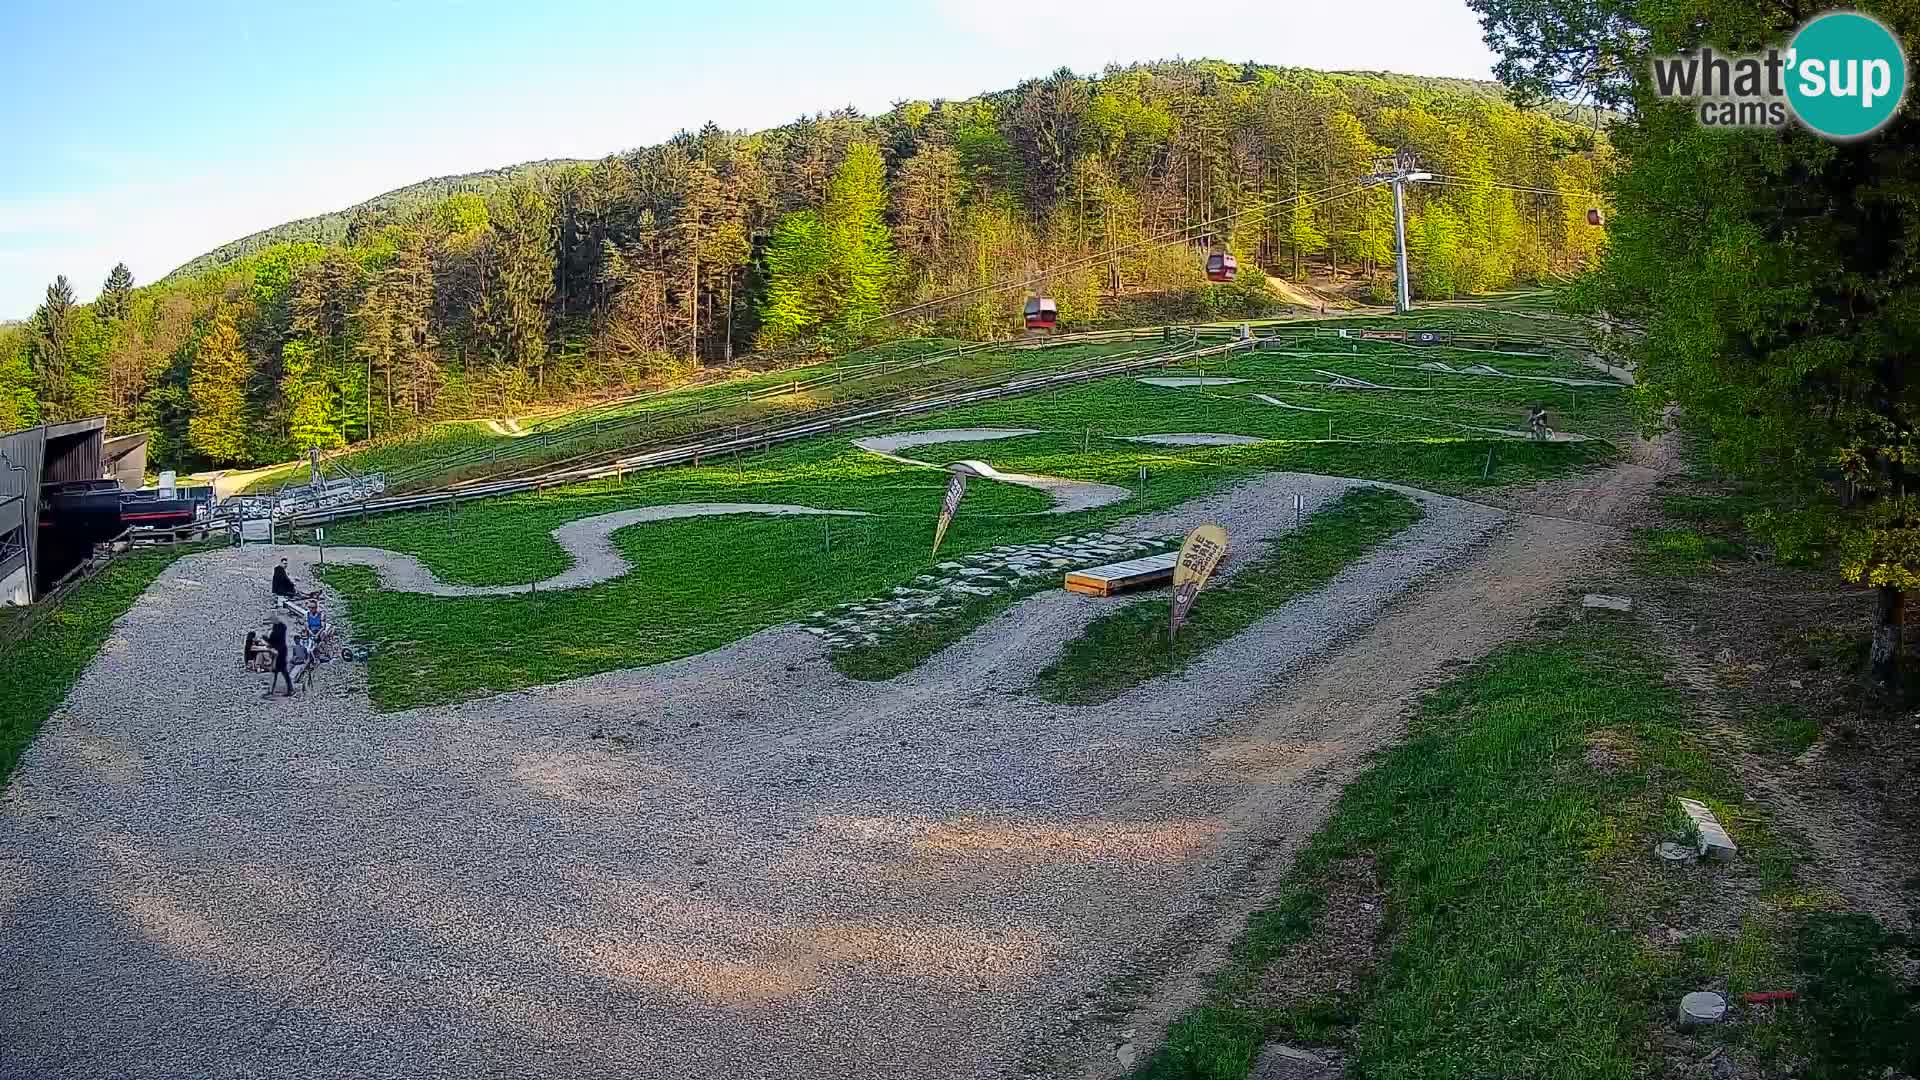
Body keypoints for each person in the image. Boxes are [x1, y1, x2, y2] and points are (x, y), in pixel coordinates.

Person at [263, 620, 294, 698]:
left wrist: (266, 639)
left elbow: (271, 641)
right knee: (284, 672)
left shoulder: (275, 633)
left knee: (275, 672)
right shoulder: (282, 633)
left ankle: (271, 691)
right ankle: (290, 689)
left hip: (276, 653)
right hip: (282, 652)